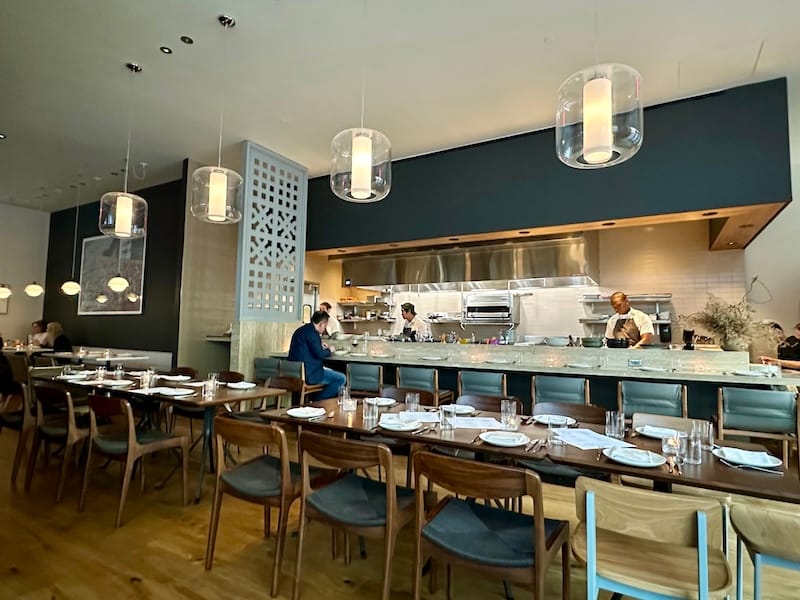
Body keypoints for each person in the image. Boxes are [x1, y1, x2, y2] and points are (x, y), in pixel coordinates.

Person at [287, 310, 346, 400]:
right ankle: (317, 400)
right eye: (325, 326)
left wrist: (320, 345)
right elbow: (320, 354)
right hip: (310, 374)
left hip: (296, 373)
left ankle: (314, 399)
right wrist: (330, 350)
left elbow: (307, 348)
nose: (325, 328)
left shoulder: (301, 330)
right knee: (341, 378)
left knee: (329, 370)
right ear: (321, 323)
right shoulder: (313, 334)